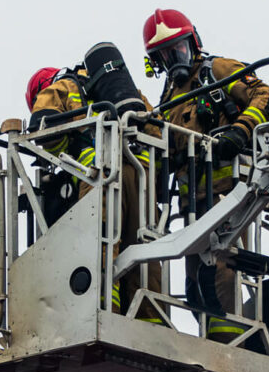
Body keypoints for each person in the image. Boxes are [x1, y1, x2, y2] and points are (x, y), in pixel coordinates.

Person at [142, 9, 269, 343]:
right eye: (164, 55)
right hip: (192, 205)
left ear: (194, 43)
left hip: (227, 195)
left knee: (219, 272)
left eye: (178, 49)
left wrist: (240, 130)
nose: (174, 60)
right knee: (195, 284)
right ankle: (213, 339)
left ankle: (229, 343)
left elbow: (265, 95)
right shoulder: (170, 98)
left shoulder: (215, 71)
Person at [23, 48, 165, 324]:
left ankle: (100, 312)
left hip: (99, 179)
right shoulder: (128, 92)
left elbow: (43, 129)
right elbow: (156, 130)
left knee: (99, 245)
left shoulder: (61, 87)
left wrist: (75, 145)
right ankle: (151, 323)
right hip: (141, 180)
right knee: (145, 252)